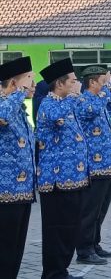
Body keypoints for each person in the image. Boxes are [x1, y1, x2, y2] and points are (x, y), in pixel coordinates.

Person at [37, 58, 89, 279]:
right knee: (57, 230)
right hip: (56, 181)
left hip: (73, 178)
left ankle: (62, 271)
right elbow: (56, 116)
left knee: (70, 228)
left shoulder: (65, 104)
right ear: (59, 84)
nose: (76, 84)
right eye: (72, 81)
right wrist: (77, 95)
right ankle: (53, 273)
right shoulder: (49, 104)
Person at [75, 65, 111, 265]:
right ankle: (84, 249)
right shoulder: (84, 101)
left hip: (108, 165)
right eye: (102, 82)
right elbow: (92, 110)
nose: (105, 86)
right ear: (92, 82)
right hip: (95, 165)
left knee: (101, 209)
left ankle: (95, 244)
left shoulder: (99, 99)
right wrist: (106, 91)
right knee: (90, 210)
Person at [0, 56, 36, 279]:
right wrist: (19, 92)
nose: (32, 86)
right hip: (6, 190)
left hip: (23, 190)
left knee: (15, 248)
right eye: (28, 80)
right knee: (4, 247)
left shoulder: (19, 108)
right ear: (13, 83)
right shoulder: (5, 104)